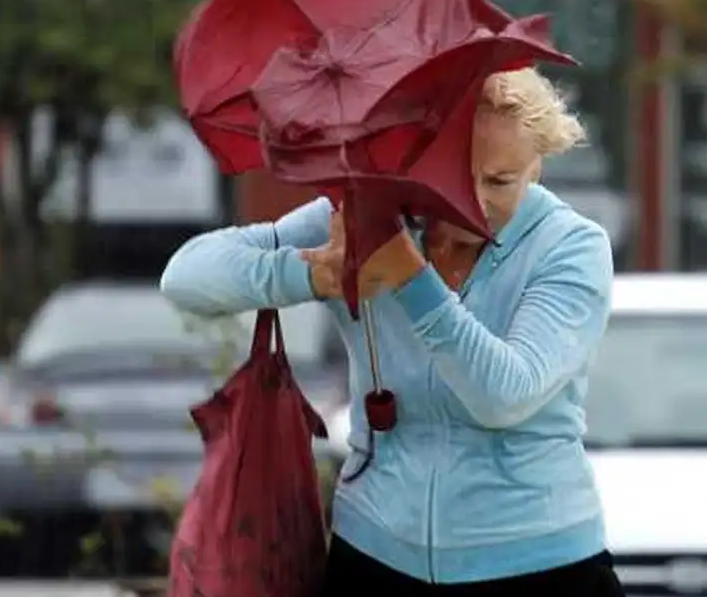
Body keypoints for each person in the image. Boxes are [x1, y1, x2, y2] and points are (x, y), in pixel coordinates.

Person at [160, 68, 626, 597]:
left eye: (500, 181)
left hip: (539, 560)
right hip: (377, 552)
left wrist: (410, 278)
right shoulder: (369, 219)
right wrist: (317, 274)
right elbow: (186, 277)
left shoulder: (572, 248)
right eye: (451, 176)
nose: (472, 202)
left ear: (537, 167)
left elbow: (503, 395)